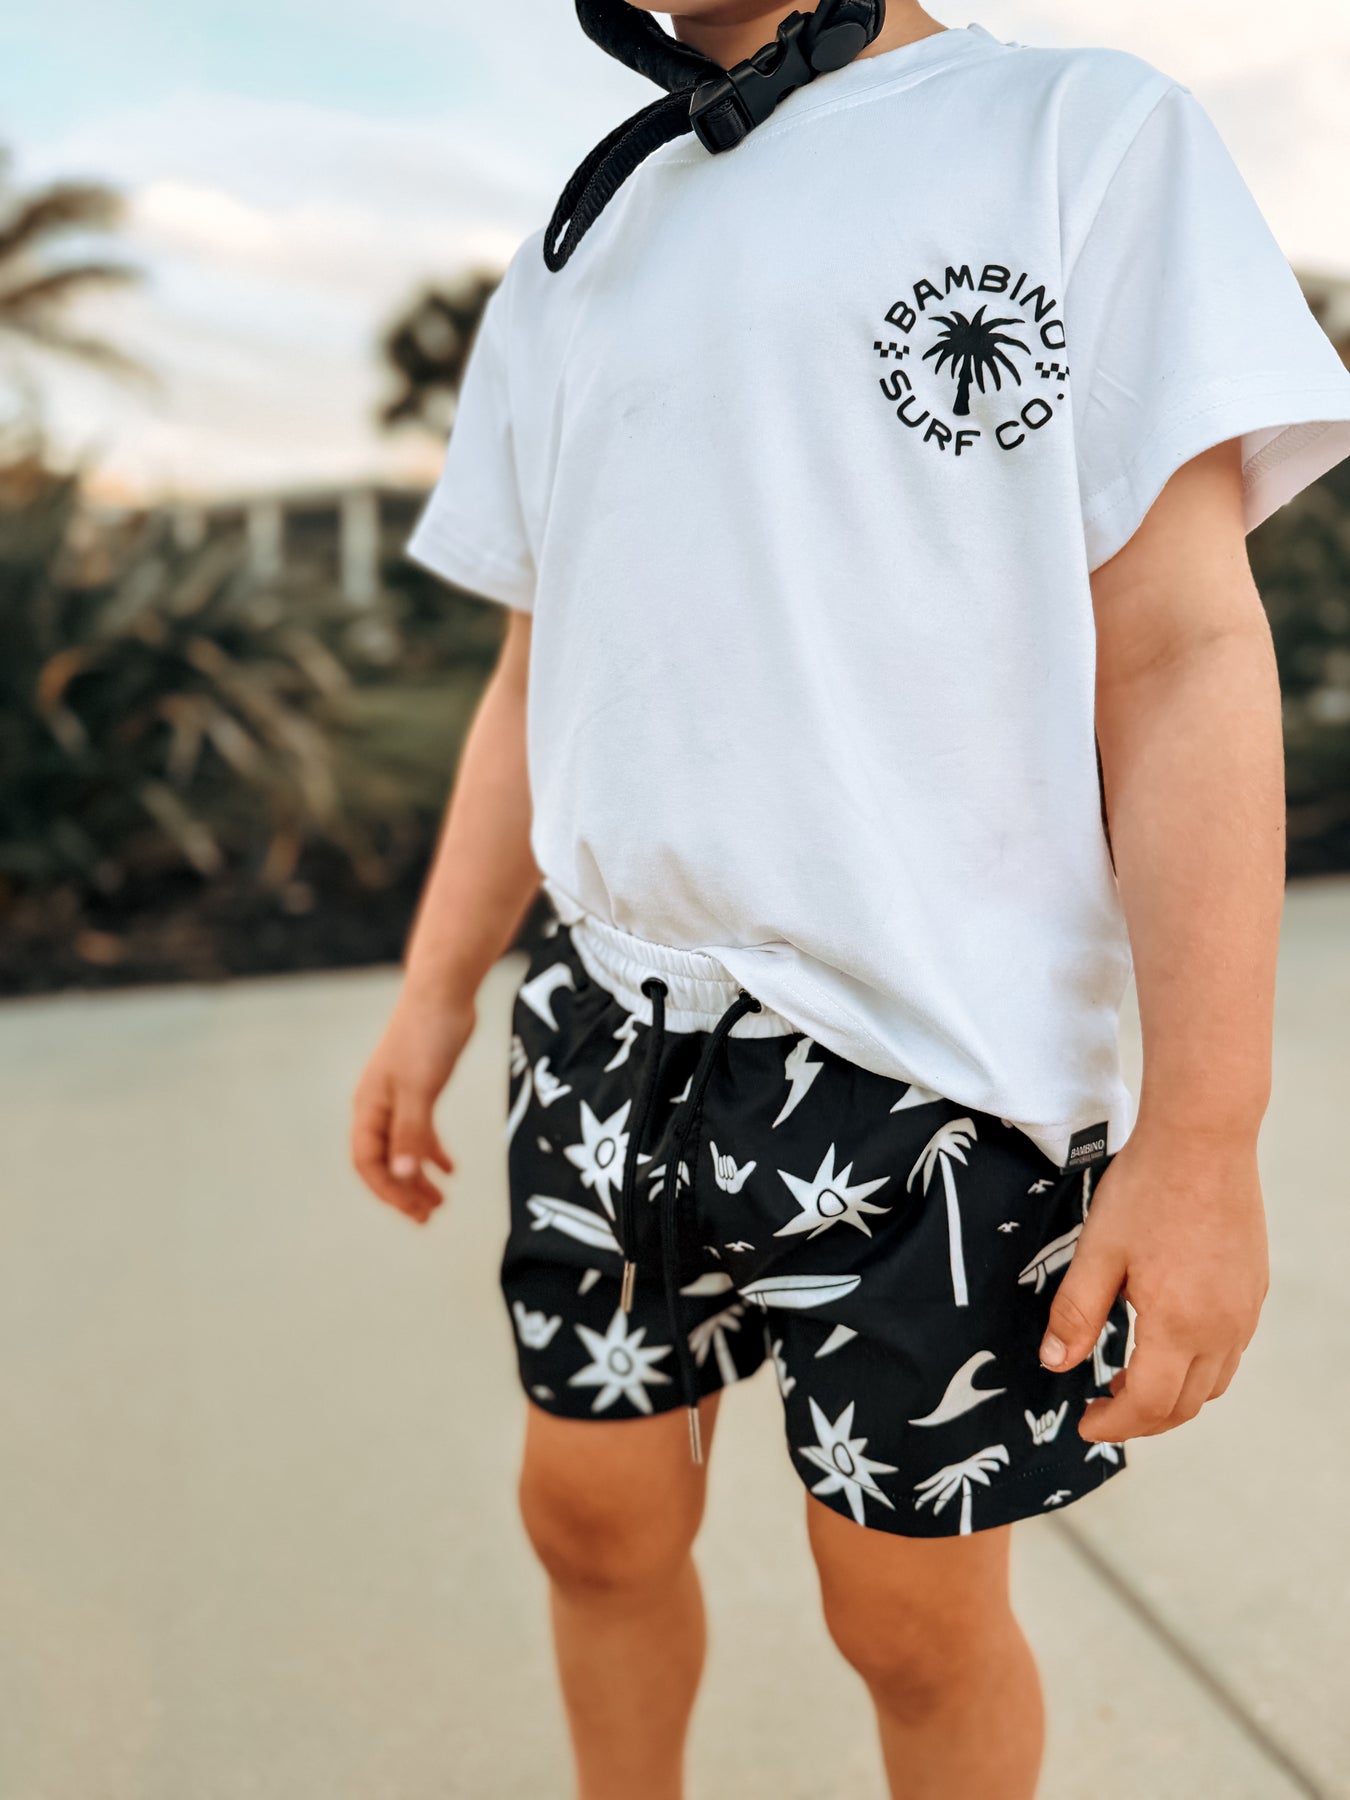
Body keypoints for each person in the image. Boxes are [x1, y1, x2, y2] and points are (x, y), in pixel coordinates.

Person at [352, 4, 1350, 1795]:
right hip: (605, 1017)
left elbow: (1182, 652)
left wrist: (1203, 1136)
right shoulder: (579, 240)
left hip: (927, 1056)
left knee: (906, 1622)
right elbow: (529, 674)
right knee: (587, 1520)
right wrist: (434, 993)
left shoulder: (1072, 135)